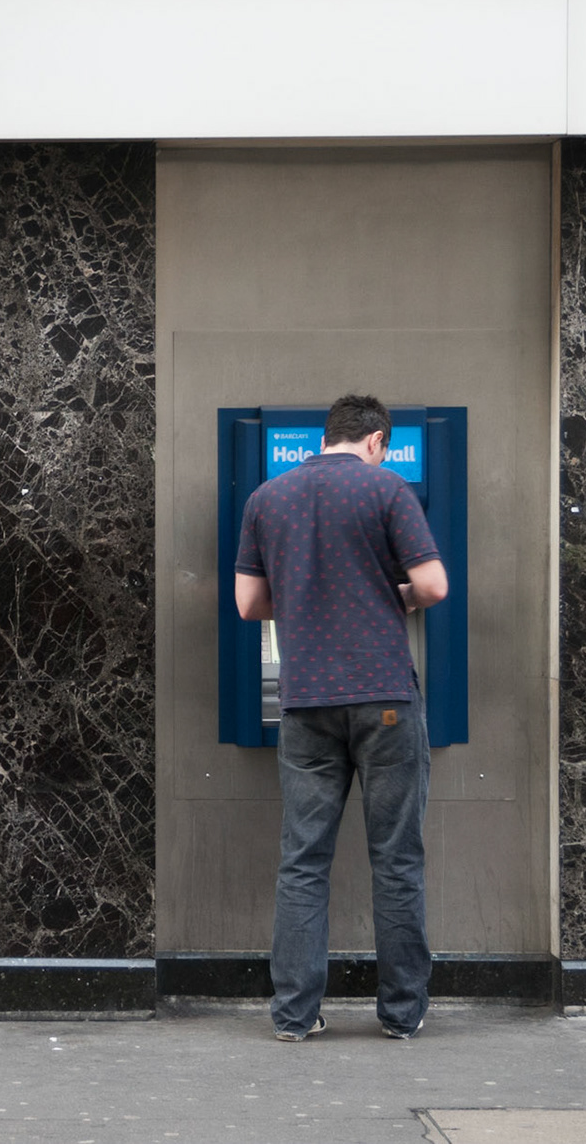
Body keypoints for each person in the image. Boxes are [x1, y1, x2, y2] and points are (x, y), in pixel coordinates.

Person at [233, 394, 449, 1043]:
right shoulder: (387, 491)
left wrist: (310, 600)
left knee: (303, 860)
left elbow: (249, 604)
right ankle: (402, 1013)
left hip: (305, 701)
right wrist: (389, 594)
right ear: (377, 440)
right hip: (384, 698)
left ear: (326, 437)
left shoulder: (268, 498)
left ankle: (294, 1014)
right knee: (397, 859)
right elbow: (433, 586)